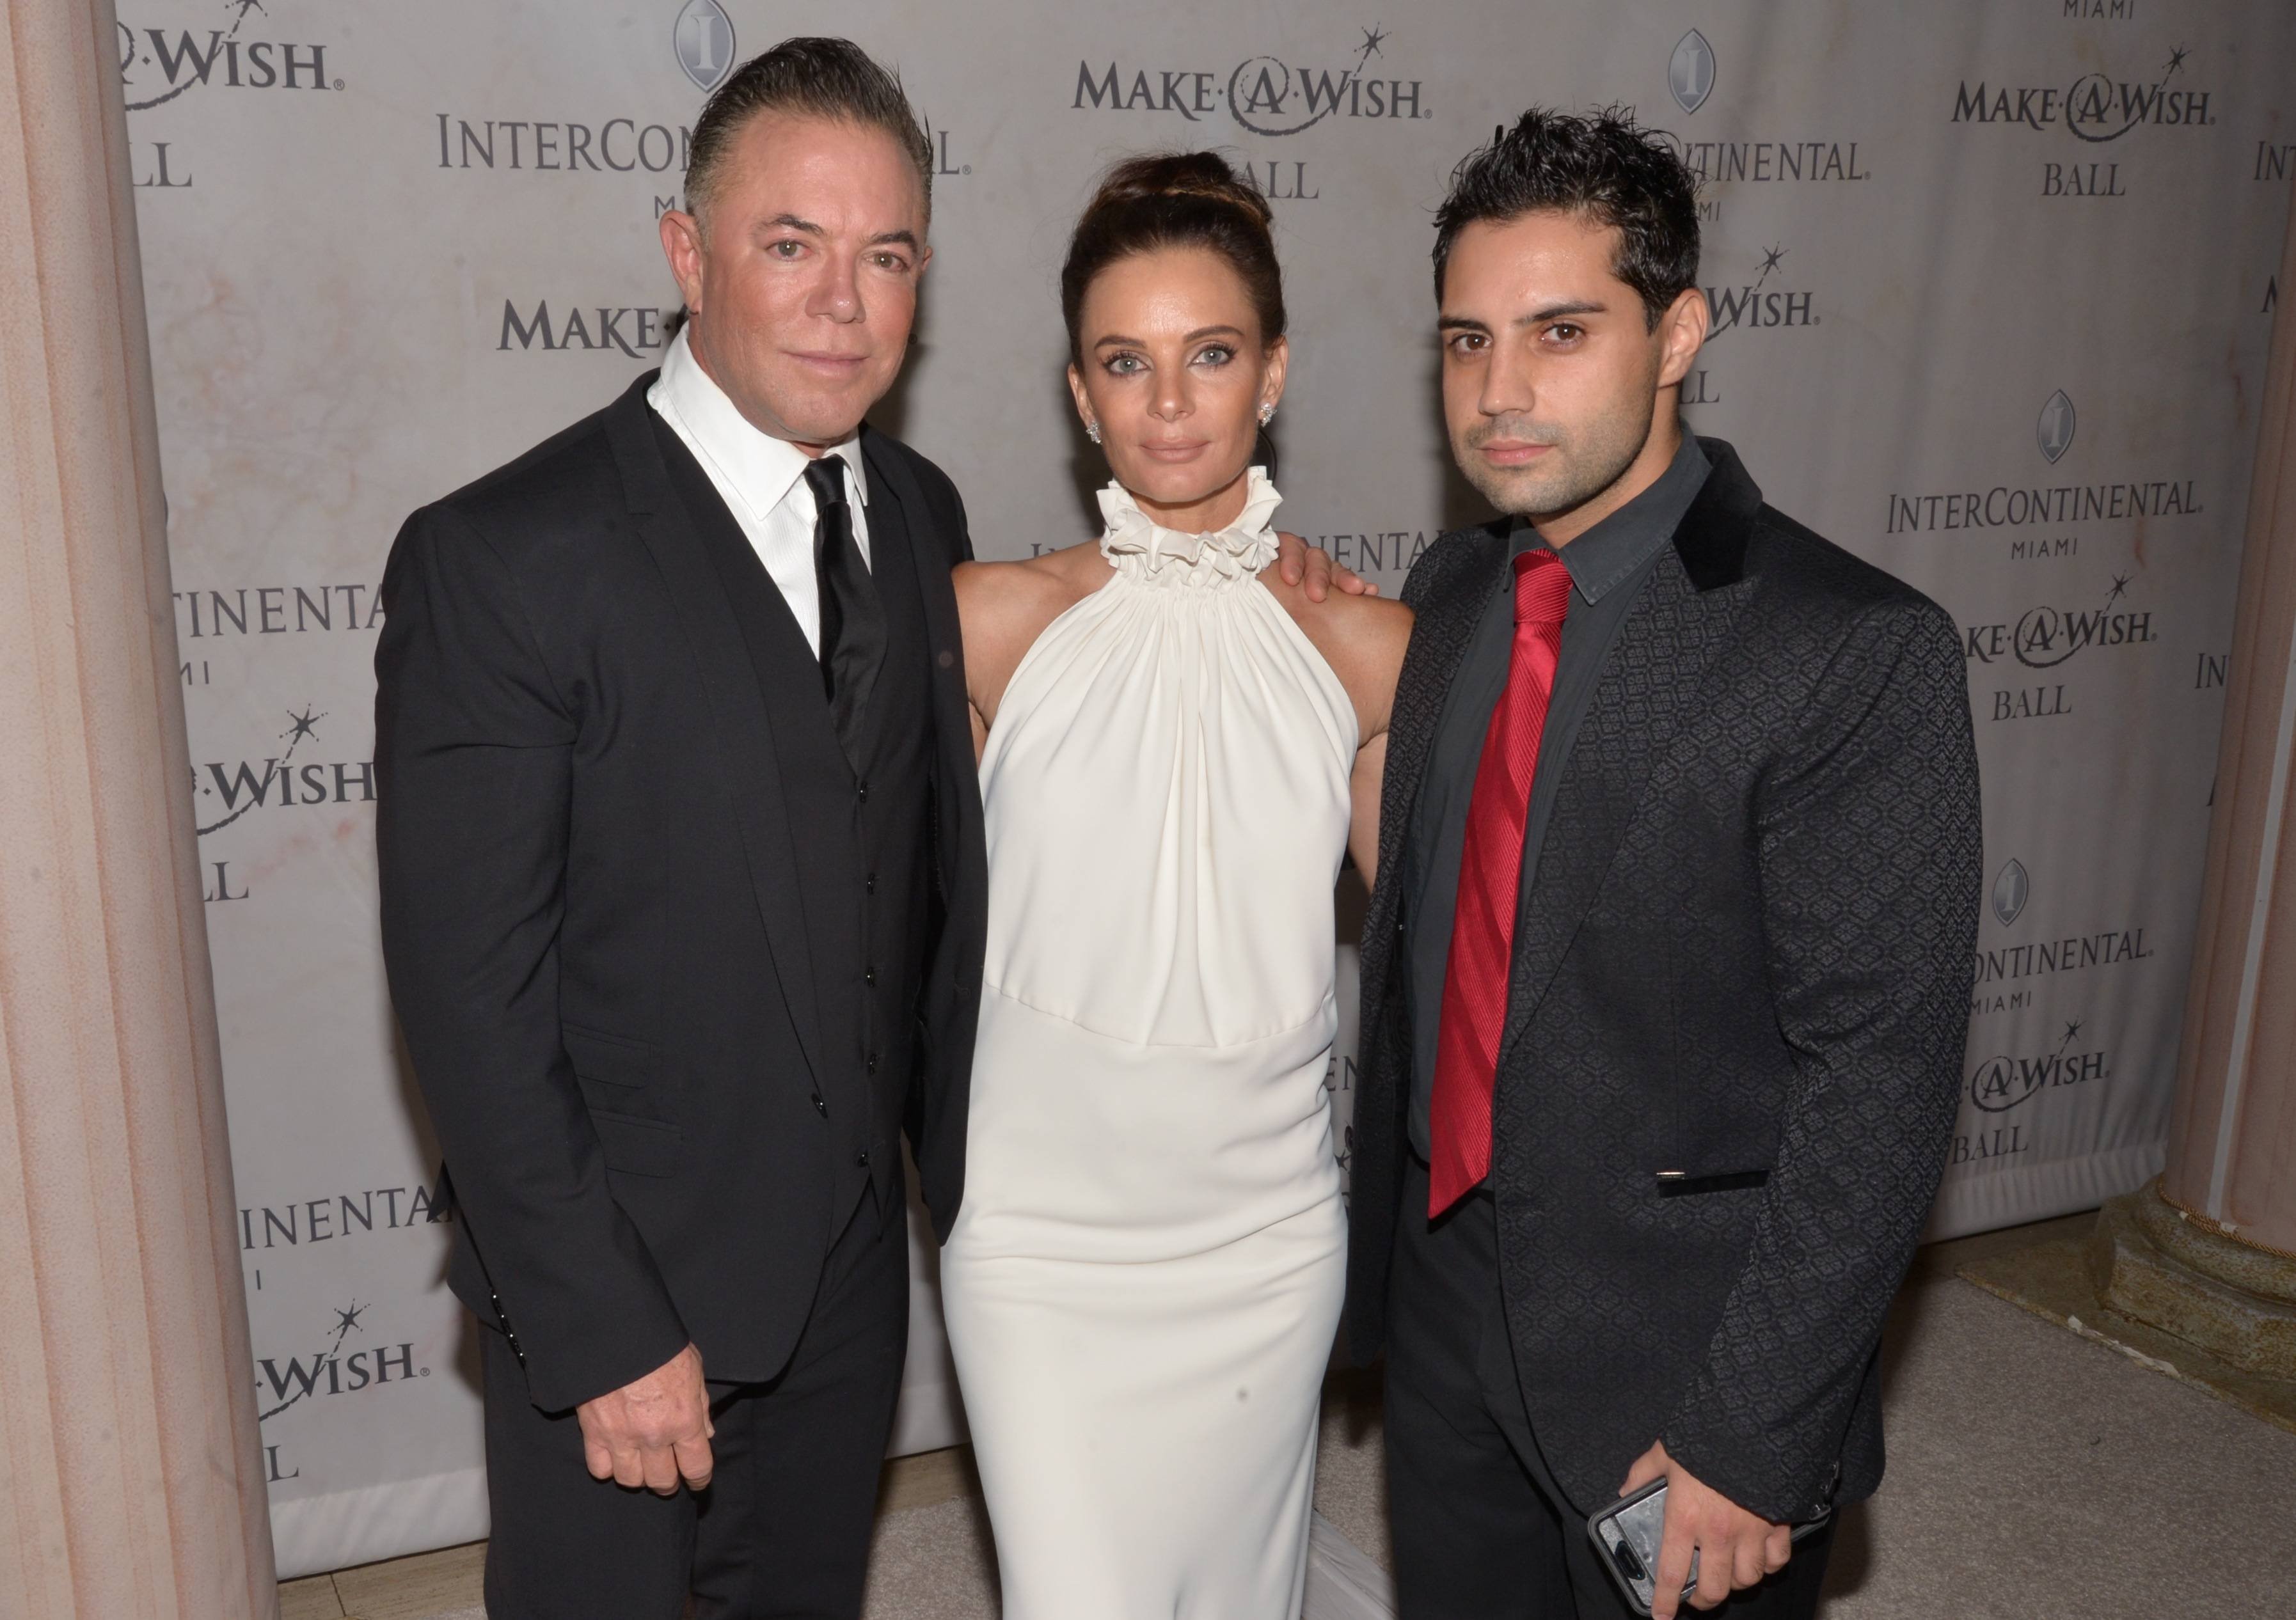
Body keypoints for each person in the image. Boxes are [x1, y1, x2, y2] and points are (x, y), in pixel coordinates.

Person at [376, 36, 1363, 1619]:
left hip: (848, 1296)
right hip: (627, 1301)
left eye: (887, 255)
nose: (844, 301)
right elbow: (469, 1004)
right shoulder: (505, 557)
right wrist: (602, 1327)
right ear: (686, 252)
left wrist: (1264, 578)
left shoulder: (916, 517)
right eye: (792, 245)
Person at [1346, 109, 1982, 1620]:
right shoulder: (1454, 589)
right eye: (1467, 341)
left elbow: (1879, 1083)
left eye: (1560, 332)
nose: (1499, 392)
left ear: (1678, 332)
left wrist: (1752, 1435)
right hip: (1442, 1302)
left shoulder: (1845, 648)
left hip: (1675, 1360)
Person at [937, 152, 1413, 1619]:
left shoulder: (1368, 649)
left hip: (1263, 1235)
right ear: (1078, 394)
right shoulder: (986, 625)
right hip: (1038, 1235)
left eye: (1209, 354)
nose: (1166, 403)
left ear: (1273, 372)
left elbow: (1453, 955)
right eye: (1123, 362)